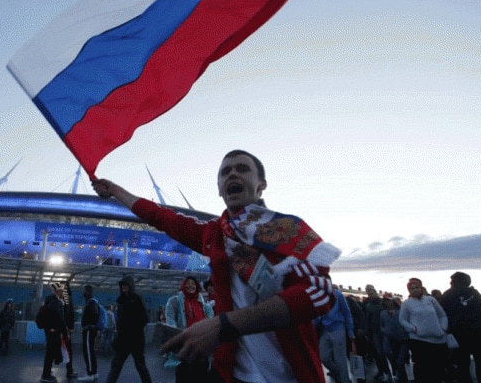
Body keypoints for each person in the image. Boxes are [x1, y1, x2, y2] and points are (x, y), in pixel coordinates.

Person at [93, 149, 340, 383]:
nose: (232, 174)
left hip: (289, 374)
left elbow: (319, 293)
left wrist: (224, 326)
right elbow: (161, 217)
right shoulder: (214, 235)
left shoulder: (287, 231)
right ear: (219, 189)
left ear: (261, 185)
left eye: (242, 169)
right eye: (225, 172)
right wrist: (115, 190)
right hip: (231, 374)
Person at [440, 271, 481, 383]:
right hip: (478, 332)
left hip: (459, 334)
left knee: (463, 365)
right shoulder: (474, 293)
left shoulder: (447, 295)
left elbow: (444, 314)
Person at [399, 277, 449, 383]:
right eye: (412, 288)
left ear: (421, 288)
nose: (415, 290)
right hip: (419, 340)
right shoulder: (407, 304)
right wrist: (413, 329)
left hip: (437, 338)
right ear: (409, 291)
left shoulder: (431, 300)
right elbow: (402, 320)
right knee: (422, 367)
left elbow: (442, 315)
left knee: (439, 366)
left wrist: (443, 328)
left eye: (417, 287)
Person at [164, 276, 214, 380]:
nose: (190, 285)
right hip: (185, 346)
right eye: (188, 283)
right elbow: (170, 319)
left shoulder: (204, 305)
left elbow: (210, 321)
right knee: (184, 375)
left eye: (193, 283)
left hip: (201, 347)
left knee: (201, 376)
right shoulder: (175, 301)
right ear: (183, 285)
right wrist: (179, 337)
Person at [104, 276, 153, 383]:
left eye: (125, 285)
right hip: (125, 339)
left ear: (130, 286)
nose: (123, 287)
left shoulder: (136, 299)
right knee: (118, 364)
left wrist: (132, 329)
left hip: (135, 338)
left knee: (139, 365)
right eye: (122, 285)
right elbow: (121, 320)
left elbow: (144, 318)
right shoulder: (121, 300)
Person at [314, 287, 354, 383]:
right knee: (324, 358)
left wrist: (350, 331)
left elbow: (346, 312)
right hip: (325, 330)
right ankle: (340, 374)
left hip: (338, 329)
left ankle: (345, 380)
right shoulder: (319, 296)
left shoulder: (338, 295)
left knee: (340, 360)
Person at [37, 283, 69, 383]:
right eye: (61, 290)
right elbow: (59, 318)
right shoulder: (55, 302)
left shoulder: (50, 300)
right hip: (53, 330)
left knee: (50, 352)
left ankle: (47, 372)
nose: (63, 292)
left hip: (50, 330)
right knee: (50, 353)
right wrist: (64, 331)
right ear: (57, 291)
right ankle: (45, 375)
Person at [363, 284, 391, 382]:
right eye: (368, 292)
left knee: (387, 352)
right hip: (375, 332)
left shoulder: (382, 303)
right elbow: (367, 319)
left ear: (375, 291)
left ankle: (391, 371)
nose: (370, 294)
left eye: (371, 292)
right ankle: (384, 371)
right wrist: (367, 332)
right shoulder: (368, 305)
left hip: (384, 331)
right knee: (379, 353)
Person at [380, 294, 409, 383]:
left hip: (403, 339)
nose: (388, 303)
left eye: (389, 300)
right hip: (390, 339)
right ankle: (399, 376)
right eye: (386, 301)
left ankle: (404, 377)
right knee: (389, 354)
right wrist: (385, 331)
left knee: (401, 360)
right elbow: (382, 325)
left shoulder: (401, 311)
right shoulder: (383, 313)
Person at [79, 285, 99, 381]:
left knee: (88, 351)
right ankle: (94, 372)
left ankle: (90, 373)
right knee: (90, 351)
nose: (83, 292)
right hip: (91, 329)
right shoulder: (93, 301)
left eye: (84, 290)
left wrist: (88, 325)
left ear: (87, 291)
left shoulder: (90, 302)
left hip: (88, 330)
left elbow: (94, 315)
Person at [62, 282, 79, 379]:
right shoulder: (68, 299)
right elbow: (71, 314)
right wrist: (69, 327)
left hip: (59, 328)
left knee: (52, 350)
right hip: (66, 329)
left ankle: (47, 372)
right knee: (68, 350)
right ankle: (69, 371)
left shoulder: (60, 299)